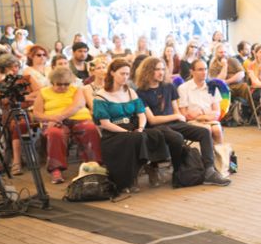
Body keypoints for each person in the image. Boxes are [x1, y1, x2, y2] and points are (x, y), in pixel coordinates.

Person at [135, 57, 229, 186]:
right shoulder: (140, 92)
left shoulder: (169, 87)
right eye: (157, 69)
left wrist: (180, 116)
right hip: (155, 127)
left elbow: (175, 110)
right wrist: (177, 116)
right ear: (148, 71)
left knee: (204, 132)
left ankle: (209, 171)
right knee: (177, 138)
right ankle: (178, 173)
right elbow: (152, 119)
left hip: (174, 123)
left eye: (163, 69)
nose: (161, 72)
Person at [92, 59, 171, 193]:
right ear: (112, 73)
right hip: (113, 134)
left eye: (127, 74)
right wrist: (127, 132)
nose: (125, 77)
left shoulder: (130, 92)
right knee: (135, 139)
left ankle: (152, 166)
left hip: (133, 128)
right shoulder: (101, 96)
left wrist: (140, 128)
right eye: (122, 73)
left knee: (155, 134)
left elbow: (142, 114)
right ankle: (131, 177)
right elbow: (105, 124)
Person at [32, 66, 102, 184]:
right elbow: (37, 114)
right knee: (55, 133)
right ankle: (56, 170)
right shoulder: (43, 92)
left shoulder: (76, 89)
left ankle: (94, 166)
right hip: (53, 121)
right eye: (59, 84)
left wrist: (58, 117)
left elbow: (78, 106)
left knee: (90, 128)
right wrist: (52, 118)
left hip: (78, 118)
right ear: (52, 82)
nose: (63, 87)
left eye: (66, 84)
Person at [178, 59, 226, 147]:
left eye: (205, 69)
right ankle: (209, 158)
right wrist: (202, 116)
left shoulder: (212, 87)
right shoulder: (183, 88)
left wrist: (203, 116)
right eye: (200, 69)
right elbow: (184, 113)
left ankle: (221, 158)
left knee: (217, 130)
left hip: (208, 119)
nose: (204, 72)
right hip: (192, 121)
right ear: (192, 71)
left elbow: (217, 111)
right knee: (207, 129)